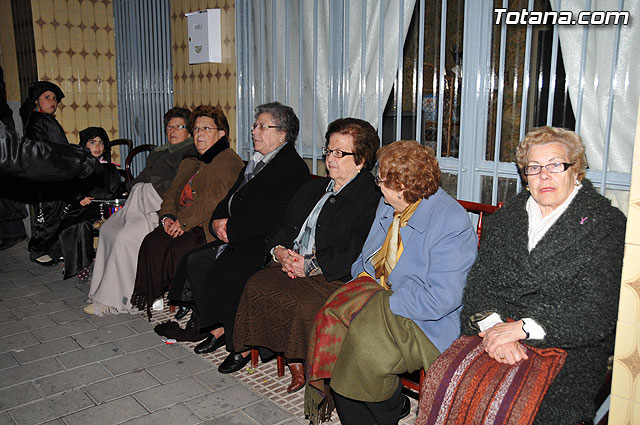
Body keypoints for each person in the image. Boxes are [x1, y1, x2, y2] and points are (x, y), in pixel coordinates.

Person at [453, 127, 626, 425]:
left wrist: (522, 329)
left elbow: (596, 312)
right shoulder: (508, 218)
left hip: (568, 347)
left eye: (555, 165)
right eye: (534, 168)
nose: (544, 175)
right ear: (525, 176)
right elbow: (480, 284)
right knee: (453, 380)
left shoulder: (606, 225)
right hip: (499, 333)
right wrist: (495, 329)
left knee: (530, 410)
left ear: (576, 171)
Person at [304, 140, 478, 425]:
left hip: (426, 321)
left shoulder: (450, 221)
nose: (377, 186)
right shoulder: (389, 205)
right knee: (332, 320)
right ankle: (390, 403)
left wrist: (379, 301)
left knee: (363, 348)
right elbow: (364, 260)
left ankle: (383, 410)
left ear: (402, 187)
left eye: (381, 180)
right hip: (383, 298)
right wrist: (366, 288)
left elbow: (442, 300)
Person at [232, 118, 380, 393]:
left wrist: (310, 265)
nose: (330, 158)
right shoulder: (313, 188)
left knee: (302, 304)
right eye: (329, 151)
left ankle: (300, 361)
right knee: (256, 284)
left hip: (331, 274)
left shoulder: (369, 197)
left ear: (361, 160)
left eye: (340, 153)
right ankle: (289, 358)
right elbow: (283, 226)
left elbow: (356, 249)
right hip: (292, 261)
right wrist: (278, 252)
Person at [177, 102, 310, 374]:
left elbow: (272, 217)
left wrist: (232, 230)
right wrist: (216, 222)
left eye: (263, 126)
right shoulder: (257, 160)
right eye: (255, 125)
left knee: (231, 270)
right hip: (240, 233)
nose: (254, 131)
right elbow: (230, 197)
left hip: (264, 241)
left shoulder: (291, 167)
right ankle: (218, 328)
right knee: (195, 261)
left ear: (282, 134)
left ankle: (242, 345)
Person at [129, 106, 245, 318]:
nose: (200, 134)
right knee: (152, 241)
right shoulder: (191, 158)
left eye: (206, 129)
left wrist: (181, 223)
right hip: (181, 219)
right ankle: (155, 295)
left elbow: (211, 200)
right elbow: (172, 192)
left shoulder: (229, 161)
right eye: (197, 129)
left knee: (180, 249)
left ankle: (188, 299)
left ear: (222, 134)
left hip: (205, 224)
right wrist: (167, 217)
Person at [84, 107, 196, 316]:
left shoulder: (190, 154)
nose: (172, 131)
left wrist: (148, 183)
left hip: (161, 206)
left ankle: (120, 299)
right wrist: (130, 187)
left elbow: (177, 188)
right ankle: (102, 291)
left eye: (178, 127)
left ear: (189, 131)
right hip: (139, 201)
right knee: (109, 229)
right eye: (169, 126)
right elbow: (141, 176)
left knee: (125, 237)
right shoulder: (159, 152)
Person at [58, 127, 125, 279]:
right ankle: (83, 263)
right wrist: (79, 197)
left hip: (103, 207)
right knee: (78, 225)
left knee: (110, 221)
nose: (97, 146)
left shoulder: (110, 168)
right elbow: (68, 188)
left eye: (101, 143)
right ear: (84, 145)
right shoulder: (78, 166)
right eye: (93, 142)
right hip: (83, 208)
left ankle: (100, 261)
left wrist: (123, 191)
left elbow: (115, 188)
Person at [20, 81, 70, 265]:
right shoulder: (37, 121)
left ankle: (54, 248)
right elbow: (45, 149)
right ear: (36, 101)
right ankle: (38, 249)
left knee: (58, 212)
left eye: (54, 98)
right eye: (47, 97)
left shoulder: (47, 120)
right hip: (45, 175)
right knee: (47, 213)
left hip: (54, 174)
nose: (52, 101)